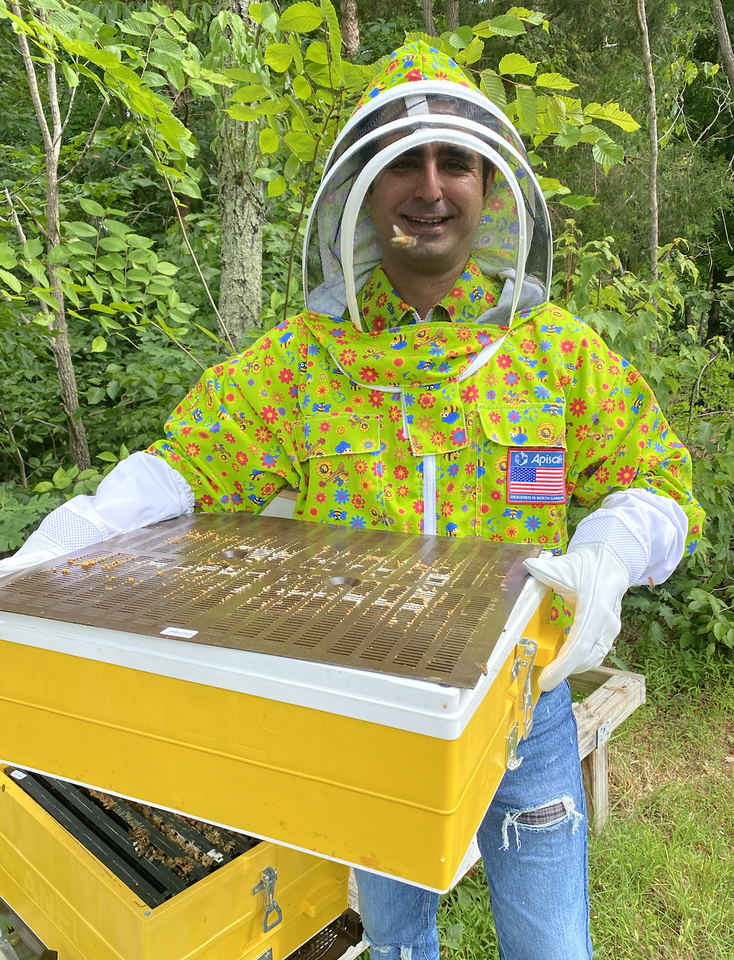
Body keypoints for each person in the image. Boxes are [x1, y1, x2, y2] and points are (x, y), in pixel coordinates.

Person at [0, 43, 703, 960]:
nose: (430, 187)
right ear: (363, 194)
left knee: (553, 949)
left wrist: (611, 553)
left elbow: (657, 478)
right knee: (397, 946)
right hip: (376, 730)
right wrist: (56, 551)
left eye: (455, 162)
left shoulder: (557, 353)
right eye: (403, 163)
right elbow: (180, 470)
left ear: (490, 188)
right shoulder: (302, 362)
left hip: (527, 708)